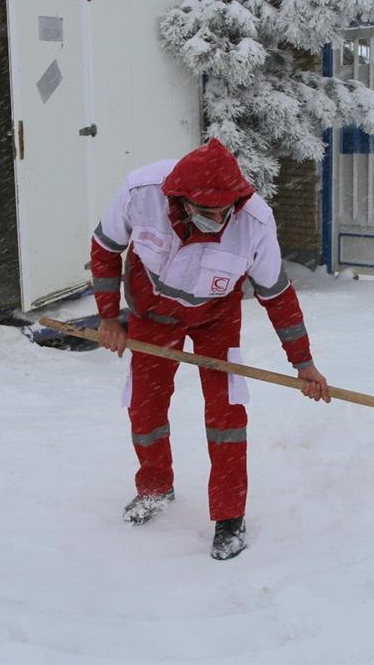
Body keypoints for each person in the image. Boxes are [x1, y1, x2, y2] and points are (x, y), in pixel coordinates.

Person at [89, 139, 330, 560]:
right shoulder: (141, 192)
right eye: (207, 212)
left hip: (216, 319)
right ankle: (155, 488)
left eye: (225, 211)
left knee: (227, 418)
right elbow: (106, 249)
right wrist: (109, 317)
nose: (218, 219)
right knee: (144, 409)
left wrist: (303, 363)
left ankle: (229, 518)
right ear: (180, 199)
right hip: (151, 314)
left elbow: (277, 294)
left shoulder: (254, 221)